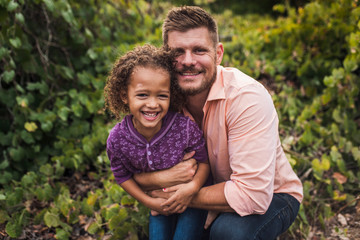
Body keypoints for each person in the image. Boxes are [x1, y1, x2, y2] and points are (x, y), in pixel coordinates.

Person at [133, 6, 304, 240]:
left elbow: (252, 195)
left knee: (228, 232)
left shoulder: (246, 97)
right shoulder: (162, 100)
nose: (188, 61)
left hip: (272, 195)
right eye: (178, 52)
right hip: (208, 189)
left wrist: (179, 195)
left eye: (199, 50)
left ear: (218, 53)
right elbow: (138, 169)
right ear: (165, 57)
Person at [104, 44, 210, 240]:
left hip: (192, 200)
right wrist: (149, 202)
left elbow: (204, 162)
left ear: (171, 95)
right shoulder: (117, 139)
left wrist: (192, 188)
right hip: (157, 203)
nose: (152, 104)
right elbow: (122, 176)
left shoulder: (184, 128)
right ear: (124, 96)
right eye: (142, 95)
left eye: (162, 95)